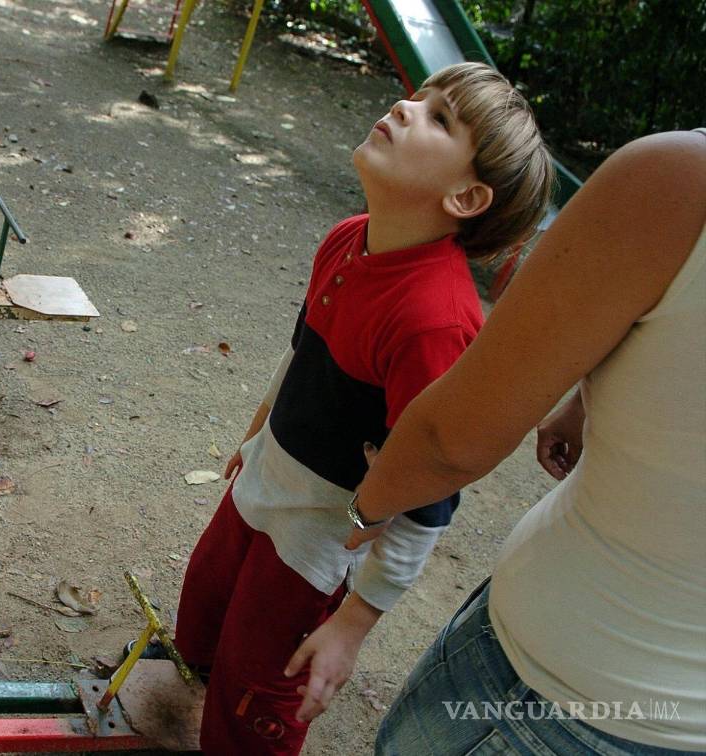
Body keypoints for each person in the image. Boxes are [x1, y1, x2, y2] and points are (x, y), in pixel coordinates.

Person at [165, 62, 555, 755]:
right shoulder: (348, 235)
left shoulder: (436, 321)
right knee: (202, 616)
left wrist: (352, 623)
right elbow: (302, 350)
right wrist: (255, 437)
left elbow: (432, 491)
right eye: (419, 97)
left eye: (439, 118)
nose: (407, 108)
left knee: (256, 687)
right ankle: (191, 694)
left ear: (466, 196)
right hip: (261, 486)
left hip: (316, 543)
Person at [326, 128, 706, 754]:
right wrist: (587, 401)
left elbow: (452, 442)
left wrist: (359, 513)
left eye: (439, 118)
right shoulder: (349, 239)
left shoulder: (676, 180)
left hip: (560, 685)